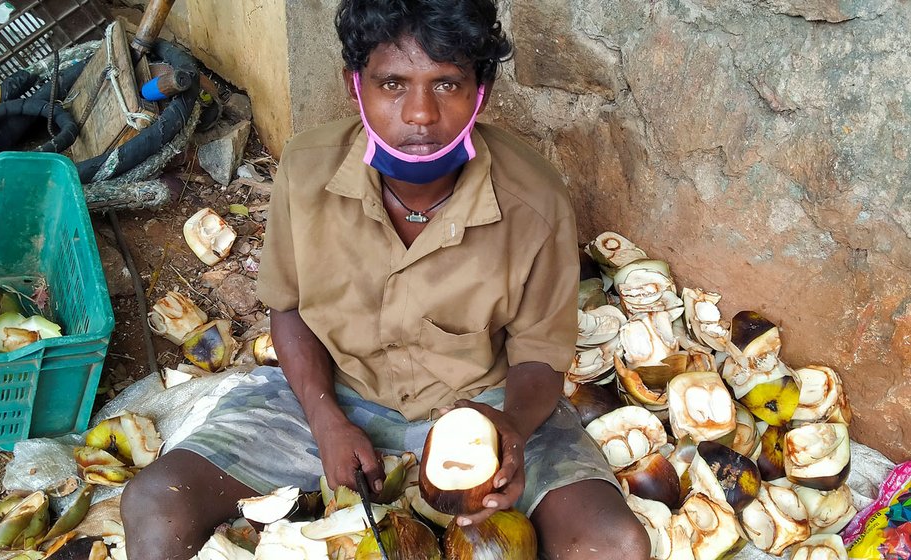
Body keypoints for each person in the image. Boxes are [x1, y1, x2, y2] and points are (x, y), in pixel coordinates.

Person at [121, 1, 651, 558]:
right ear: (356, 87)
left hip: (483, 403)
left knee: (611, 542)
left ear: (481, 93)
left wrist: (511, 428)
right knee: (157, 503)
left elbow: (540, 355)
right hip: (332, 391)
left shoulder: (535, 198)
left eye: (446, 84)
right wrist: (325, 416)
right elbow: (289, 309)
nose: (419, 113)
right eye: (392, 82)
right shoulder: (306, 173)